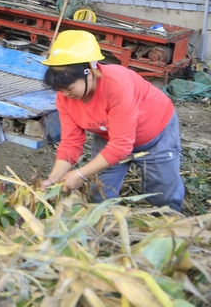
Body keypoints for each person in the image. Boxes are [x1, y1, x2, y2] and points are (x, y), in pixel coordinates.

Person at [39, 30, 184, 212]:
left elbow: (121, 145)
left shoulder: (117, 86)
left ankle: (170, 225)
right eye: (60, 89)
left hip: (154, 134)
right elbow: (71, 142)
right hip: (108, 135)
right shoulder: (65, 98)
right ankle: (103, 228)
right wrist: (54, 178)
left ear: (90, 72)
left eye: (69, 87)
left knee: (163, 191)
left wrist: (79, 174)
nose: (65, 94)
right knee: (100, 192)